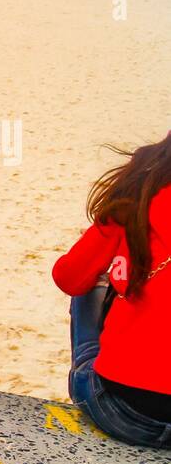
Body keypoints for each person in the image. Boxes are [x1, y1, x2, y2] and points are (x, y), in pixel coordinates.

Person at [53, 133, 171, 447]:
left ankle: (87, 369)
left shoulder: (136, 199)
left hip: (122, 411)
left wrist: (109, 242)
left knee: (89, 285)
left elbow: (68, 277)